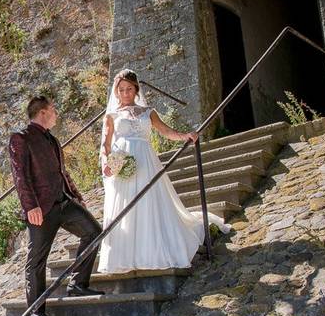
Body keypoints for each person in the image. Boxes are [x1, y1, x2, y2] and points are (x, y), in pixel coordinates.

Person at [98, 69, 228, 273]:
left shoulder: (149, 112)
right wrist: (107, 163)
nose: (125, 93)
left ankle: (152, 250)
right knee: (126, 207)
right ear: (116, 91)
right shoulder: (111, 116)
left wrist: (185, 136)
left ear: (136, 89)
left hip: (146, 161)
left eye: (129, 89)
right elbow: (106, 144)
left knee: (149, 202)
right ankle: (126, 255)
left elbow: (166, 131)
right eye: (121, 89)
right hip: (121, 160)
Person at [9, 96, 104, 316]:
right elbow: (20, 175)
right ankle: (36, 311)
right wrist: (30, 205)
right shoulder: (20, 138)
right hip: (40, 208)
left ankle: (78, 284)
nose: (56, 114)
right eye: (53, 110)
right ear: (42, 112)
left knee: (94, 232)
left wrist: (77, 196)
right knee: (37, 260)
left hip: (64, 202)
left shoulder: (53, 140)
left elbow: (63, 172)